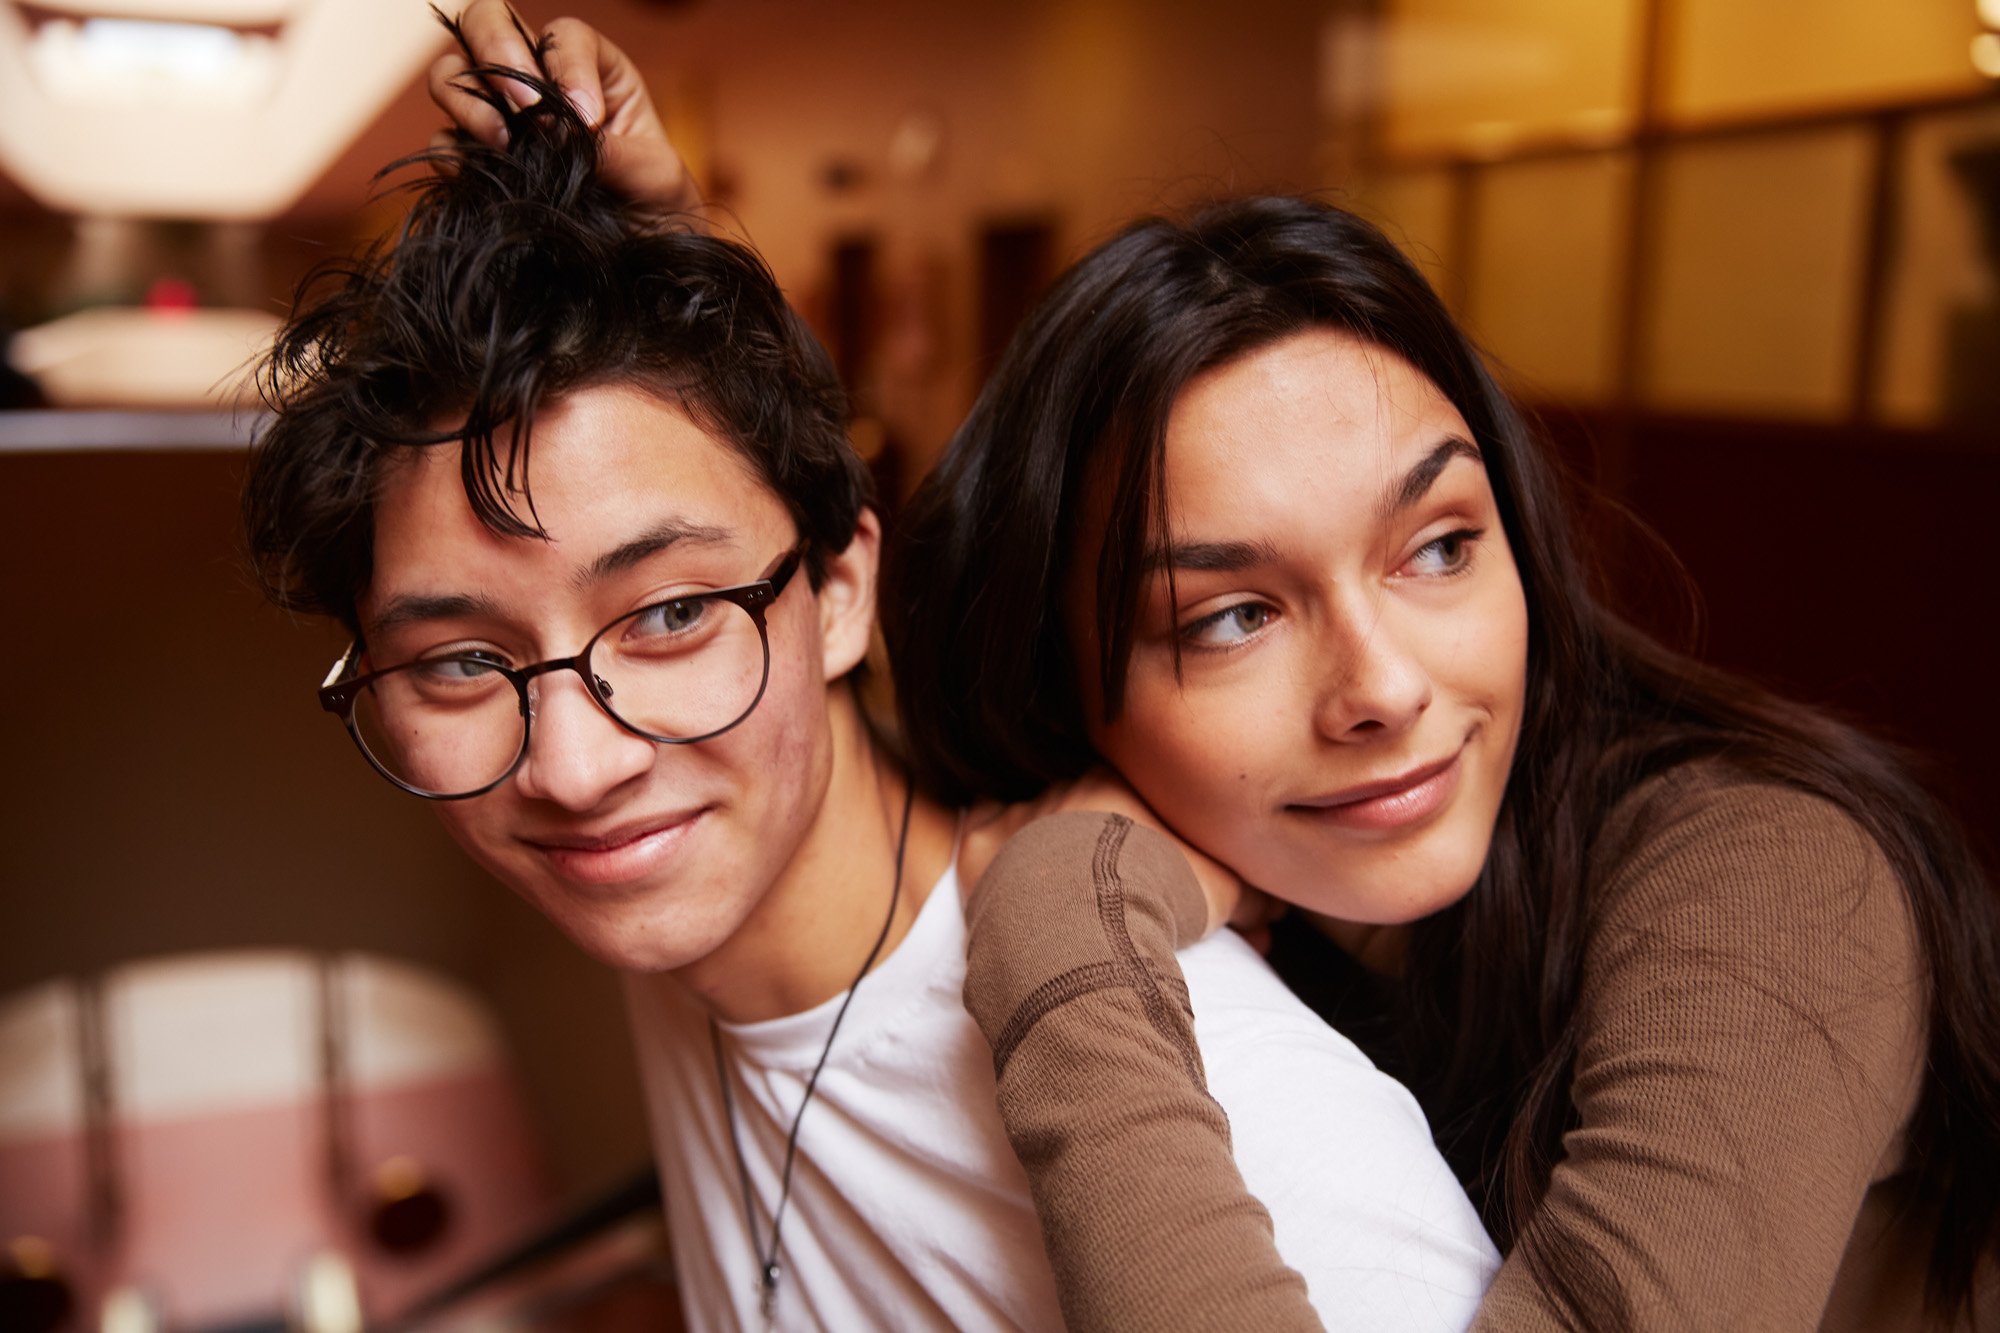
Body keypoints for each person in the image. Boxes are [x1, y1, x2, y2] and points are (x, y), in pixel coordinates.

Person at [247, 19, 1499, 1329]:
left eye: (671, 615)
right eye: (459, 659)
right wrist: (653, 225)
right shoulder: (685, 891)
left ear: (843, 594)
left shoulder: (1250, 1125)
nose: (574, 766)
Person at [879, 196, 2000, 1331]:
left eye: (1438, 547)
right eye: (1229, 618)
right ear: (1063, 688)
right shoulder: (1304, 948)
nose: (1383, 689)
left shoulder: (1774, 878)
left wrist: (1060, 913)